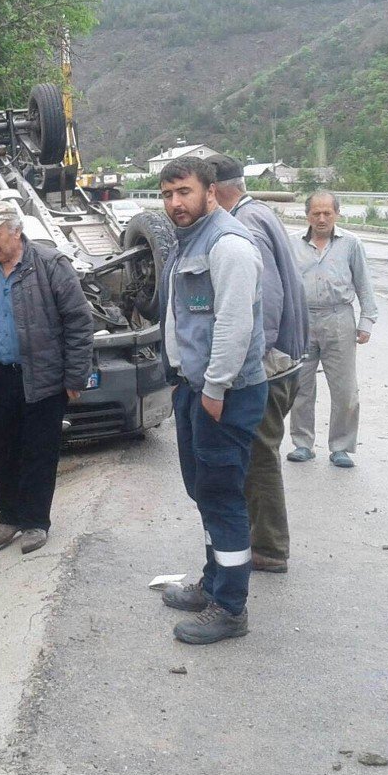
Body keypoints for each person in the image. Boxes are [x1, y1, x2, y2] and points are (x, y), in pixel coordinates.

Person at [157, 156, 268, 644]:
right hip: (194, 387)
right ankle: (213, 583)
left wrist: (217, 388)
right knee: (203, 491)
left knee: (222, 496)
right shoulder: (189, 242)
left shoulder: (228, 245)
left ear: (210, 191)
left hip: (224, 393)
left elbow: (235, 325)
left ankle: (231, 608)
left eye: (183, 192)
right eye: (167, 194)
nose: (175, 203)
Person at [0, 199, 94, 555]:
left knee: (39, 450)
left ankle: (36, 521)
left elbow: (78, 323)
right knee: (0, 449)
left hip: (43, 376)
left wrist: (75, 376)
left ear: (16, 232)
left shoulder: (51, 266)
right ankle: (9, 517)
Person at [207, 155, 309, 573]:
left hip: (269, 363)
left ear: (215, 191)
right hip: (286, 359)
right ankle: (259, 538)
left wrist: (252, 360)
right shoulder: (261, 212)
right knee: (258, 452)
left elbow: (264, 301)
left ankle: (268, 547)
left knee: (259, 455)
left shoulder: (243, 225)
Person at [288, 191, 378, 468]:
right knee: (301, 385)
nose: (322, 218)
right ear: (307, 216)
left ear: (336, 214)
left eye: (327, 213)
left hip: (339, 318)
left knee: (345, 389)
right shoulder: (293, 244)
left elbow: (364, 284)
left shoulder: (351, 243)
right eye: (316, 213)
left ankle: (341, 446)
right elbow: (285, 285)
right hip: (303, 321)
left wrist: (367, 321)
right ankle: (302, 443)